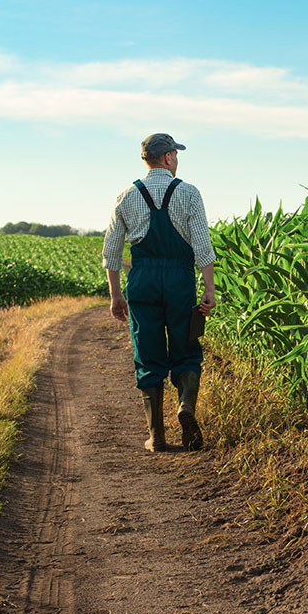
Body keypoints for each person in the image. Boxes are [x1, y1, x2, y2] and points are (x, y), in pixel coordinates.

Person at [102, 133, 216, 452]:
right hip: (179, 280)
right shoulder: (189, 193)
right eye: (176, 155)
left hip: (143, 280)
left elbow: (111, 252)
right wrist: (208, 289)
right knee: (187, 348)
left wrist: (115, 295)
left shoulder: (126, 196)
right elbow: (202, 247)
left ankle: (157, 436)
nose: (177, 160)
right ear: (168, 158)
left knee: (148, 354)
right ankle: (186, 408)